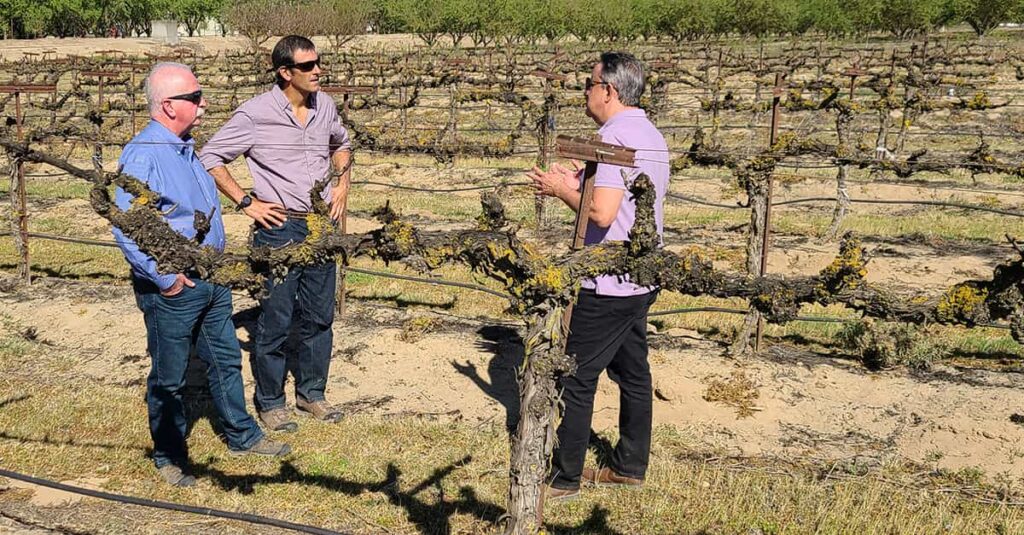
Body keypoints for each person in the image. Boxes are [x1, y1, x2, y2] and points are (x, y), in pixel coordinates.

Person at [114, 63, 291, 487]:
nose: (204, 103)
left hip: (210, 276)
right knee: (170, 376)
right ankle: (169, 455)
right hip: (175, 286)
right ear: (169, 105)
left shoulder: (186, 146)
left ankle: (241, 435)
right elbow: (127, 224)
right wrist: (164, 278)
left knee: (225, 359)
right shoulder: (144, 154)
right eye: (196, 97)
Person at [528, 52, 669, 501]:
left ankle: (563, 477)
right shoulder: (648, 133)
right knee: (633, 372)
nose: (585, 92)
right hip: (640, 275)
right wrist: (581, 172)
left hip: (607, 281)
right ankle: (629, 465)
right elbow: (625, 195)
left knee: (577, 373)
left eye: (589, 85)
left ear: (608, 90)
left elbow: (602, 213)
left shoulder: (614, 136)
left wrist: (560, 189)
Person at [199, 35, 351, 432]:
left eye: (319, 63)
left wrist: (343, 184)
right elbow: (210, 156)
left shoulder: (326, 107)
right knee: (276, 317)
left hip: (320, 226)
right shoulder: (255, 114)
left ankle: (312, 394)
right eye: (308, 66)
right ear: (285, 72)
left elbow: (342, 144)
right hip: (279, 228)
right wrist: (246, 202)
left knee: (320, 315)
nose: (318, 71)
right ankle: (270, 401)